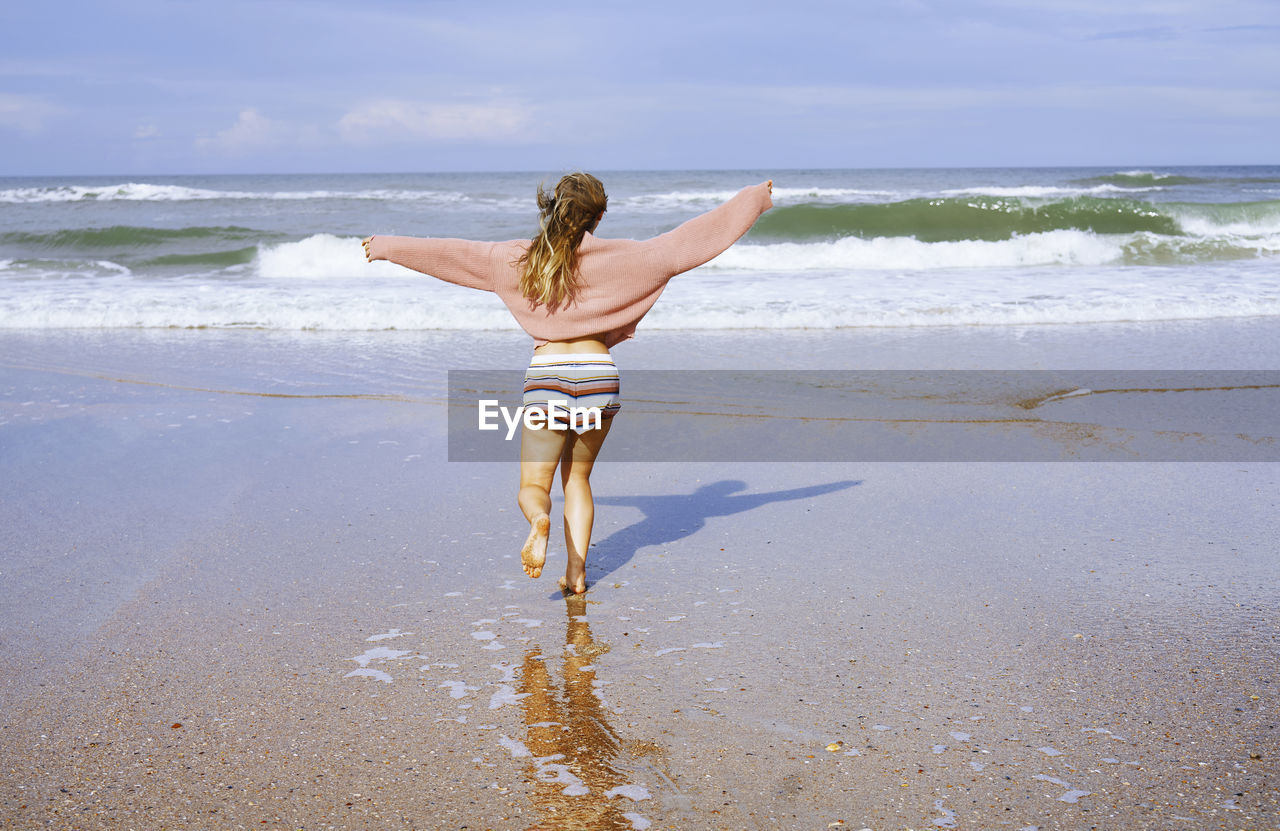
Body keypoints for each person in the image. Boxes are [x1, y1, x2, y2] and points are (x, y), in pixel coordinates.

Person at [363, 174, 772, 594]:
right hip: (598, 373)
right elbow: (693, 238)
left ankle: (539, 520)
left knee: (534, 486)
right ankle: (577, 573)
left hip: (547, 375)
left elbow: (453, 254)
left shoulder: (519, 258)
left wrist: (387, 246)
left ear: (552, 208)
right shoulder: (632, 257)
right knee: (578, 480)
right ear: (598, 216)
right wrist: (753, 198)